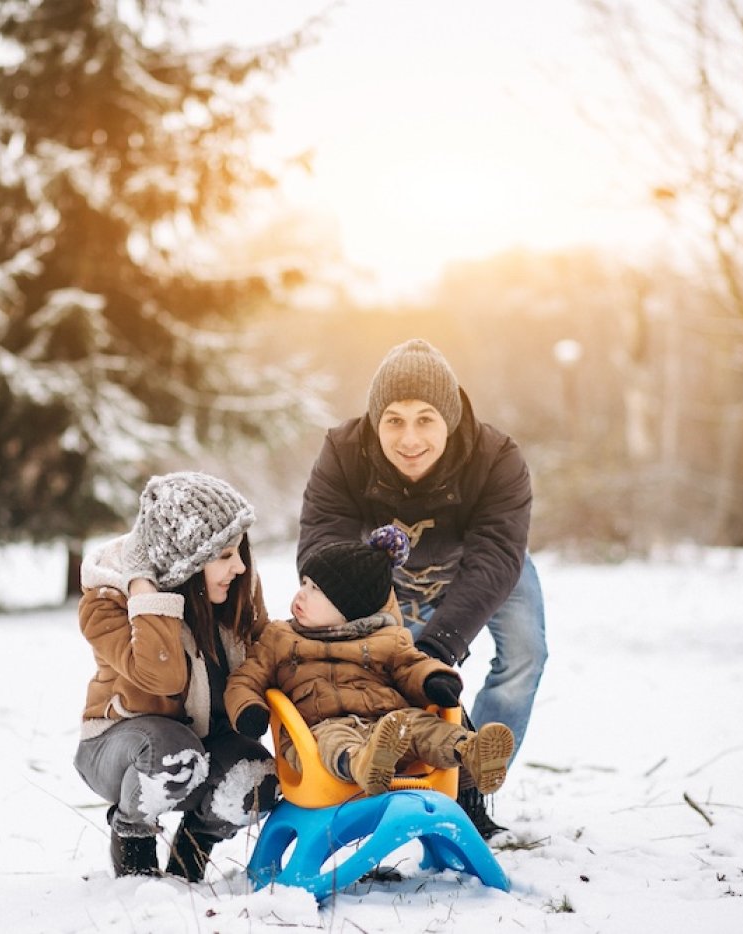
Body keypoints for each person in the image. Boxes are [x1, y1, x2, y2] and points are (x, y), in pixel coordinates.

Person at [297, 338, 546, 838]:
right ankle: (426, 786)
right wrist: (382, 633)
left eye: (425, 419)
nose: (410, 438)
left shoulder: (497, 458)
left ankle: (477, 780)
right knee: (398, 676)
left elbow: (496, 556)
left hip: (482, 568)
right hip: (386, 575)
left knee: (525, 654)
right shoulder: (344, 452)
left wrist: (440, 644)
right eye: (394, 420)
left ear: (449, 420)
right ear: (375, 421)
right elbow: (321, 543)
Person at [75, 471, 279, 881]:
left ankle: (193, 851)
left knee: (258, 778)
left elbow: (270, 655)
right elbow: (162, 678)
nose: (238, 567)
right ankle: (133, 839)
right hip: (119, 750)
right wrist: (145, 592)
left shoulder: (234, 592)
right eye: (223, 556)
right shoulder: (107, 602)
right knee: (173, 752)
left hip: (205, 745)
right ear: (184, 561)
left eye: (238, 552)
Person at [226, 526, 514, 798]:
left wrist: (434, 679)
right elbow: (246, 678)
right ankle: (363, 764)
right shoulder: (280, 638)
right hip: (317, 733)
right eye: (304, 583)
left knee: (421, 725)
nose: (301, 593)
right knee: (334, 739)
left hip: (389, 728)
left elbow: (412, 665)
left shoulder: (386, 639)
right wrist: (249, 709)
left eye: (316, 589)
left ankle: (471, 751)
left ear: (349, 609)